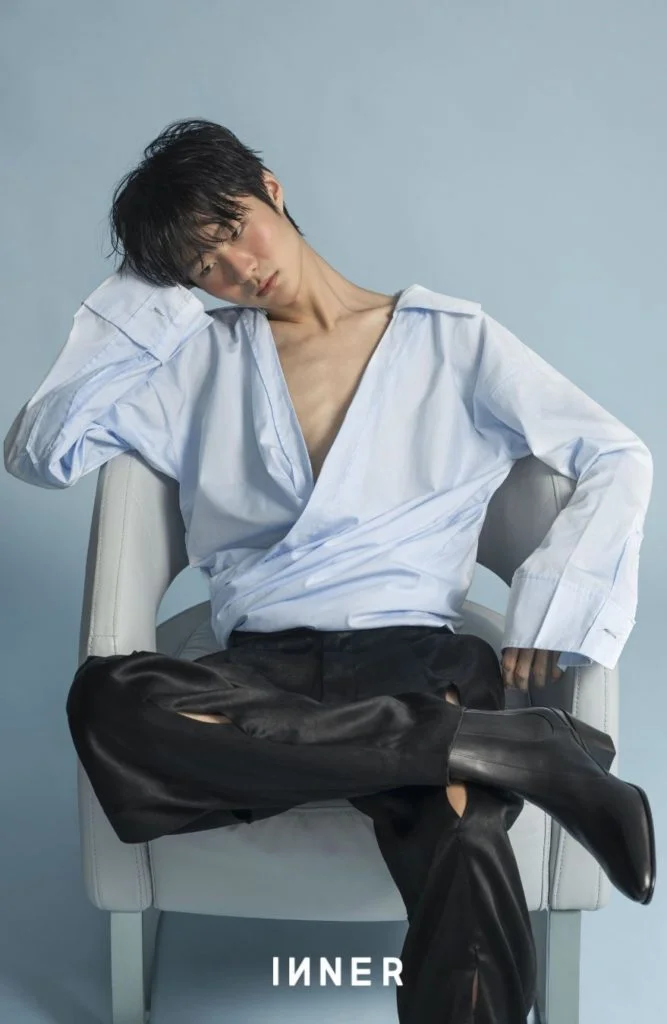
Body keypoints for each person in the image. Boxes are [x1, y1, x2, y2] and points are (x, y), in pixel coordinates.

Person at [4, 118, 656, 1023]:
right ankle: (509, 747)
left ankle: (463, 747)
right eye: (202, 266)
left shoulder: (449, 339)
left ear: (270, 189)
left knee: (464, 839)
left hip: (417, 656)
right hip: (257, 666)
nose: (237, 270)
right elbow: (41, 452)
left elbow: (615, 454)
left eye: (232, 229)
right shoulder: (194, 358)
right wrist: (153, 288)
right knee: (109, 704)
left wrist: (555, 608)